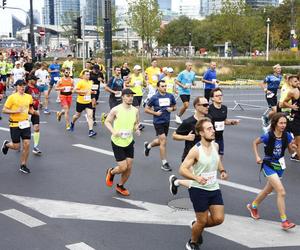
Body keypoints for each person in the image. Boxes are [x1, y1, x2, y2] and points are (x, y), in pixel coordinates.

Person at [179, 117, 228, 250]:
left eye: (212, 127)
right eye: (209, 129)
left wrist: (222, 170)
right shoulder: (196, 150)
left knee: (218, 219)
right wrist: (196, 177)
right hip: (198, 189)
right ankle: (193, 242)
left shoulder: (215, 145)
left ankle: (196, 225)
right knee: (203, 221)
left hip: (213, 187)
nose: (213, 131)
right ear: (201, 133)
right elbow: (182, 169)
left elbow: (217, 160)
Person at [247, 113, 296, 230]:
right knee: (281, 191)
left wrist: (293, 148)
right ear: (275, 123)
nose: (283, 125)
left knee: (267, 191)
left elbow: (290, 151)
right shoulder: (268, 136)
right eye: (281, 123)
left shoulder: (287, 135)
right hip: (268, 165)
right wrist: (257, 157)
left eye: (285, 123)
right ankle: (284, 221)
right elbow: (254, 142)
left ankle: (253, 206)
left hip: (279, 166)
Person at [105, 88, 140, 196]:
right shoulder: (116, 109)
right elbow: (107, 121)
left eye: (131, 96)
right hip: (117, 142)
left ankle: (120, 186)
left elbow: (136, 123)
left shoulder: (135, 110)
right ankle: (111, 172)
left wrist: (136, 129)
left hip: (129, 141)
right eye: (128, 96)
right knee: (123, 167)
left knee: (129, 167)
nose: (130, 98)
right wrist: (113, 131)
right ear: (123, 97)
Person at [1, 79, 39, 174]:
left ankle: (23, 165)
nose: (22, 87)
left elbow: (30, 109)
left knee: (27, 145)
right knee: (16, 146)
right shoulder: (12, 97)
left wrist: (34, 112)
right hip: (15, 124)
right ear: (17, 87)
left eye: (23, 85)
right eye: (20, 85)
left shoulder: (29, 97)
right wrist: (15, 111)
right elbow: (4, 110)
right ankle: (6, 144)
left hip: (25, 124)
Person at [144, 80, 176, 171]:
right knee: (163, 141)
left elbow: (174, 107)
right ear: (158, 87)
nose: (164, 87)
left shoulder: (170, 96)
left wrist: (172, 109)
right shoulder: (154, 97)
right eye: (162, 86)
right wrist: (155, 113)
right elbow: (146, 109)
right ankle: (164, 163)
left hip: (167, 121)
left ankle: (148, 146)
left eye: (165, 86)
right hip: (158, 121)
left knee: (161, 140)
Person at [208, 88, 239, 158]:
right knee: (212, 158)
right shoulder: (209, 109)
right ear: (212, 98)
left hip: (220, 136)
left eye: (221, 95)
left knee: (220, 156)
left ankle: (217, 169)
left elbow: (223, 121)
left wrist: (232, 122)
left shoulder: (224, 108)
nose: (220, 97)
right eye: (217, 95)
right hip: (210, 136)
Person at [70, 70, 97, 137]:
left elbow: (89, 90)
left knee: (90, 116)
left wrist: (93, 92)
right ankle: (72, 123)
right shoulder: (80, 82)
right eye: (87, 75)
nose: (88, 76)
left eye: (89, 74)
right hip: (80, 102)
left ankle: (91, 131)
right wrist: (82, 91)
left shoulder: (91, 82)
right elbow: (74, 90)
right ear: (83, 76)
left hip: (88, 101)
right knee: (77, 116)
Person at [282, 75, 300, 161]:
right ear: (290, 83)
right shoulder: (291, 92)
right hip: (296, 119)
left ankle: (291, 143)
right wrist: (291, 106)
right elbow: (284, 103)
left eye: (298, 81)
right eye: (295, 81)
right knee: (299, 142)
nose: (297, 82)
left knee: (296, 142)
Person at [125, 64, 146, 131]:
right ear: (134, 70)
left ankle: (130, 121)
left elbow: (145, 84)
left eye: (140, 70)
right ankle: (138, 124)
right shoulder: (131, 76)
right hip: (133, 95)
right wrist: (131, 85)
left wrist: (143, 84)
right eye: (137, 70)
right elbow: (126, 84)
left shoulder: (141, 76)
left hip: (140, 94)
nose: (139, 71)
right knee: (137, 109)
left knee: (134, 110)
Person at [25, 75, 42, 155]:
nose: (36, 81)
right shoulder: (26, 88)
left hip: (35, 110)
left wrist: (40, 102)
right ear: (29, 80)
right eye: (34, 80)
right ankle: (20, 142)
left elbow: (38, 96)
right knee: (24, 129)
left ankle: (35, 147)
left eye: (36, 80)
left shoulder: (37, 87)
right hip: (27, 111)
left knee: (36, 127)